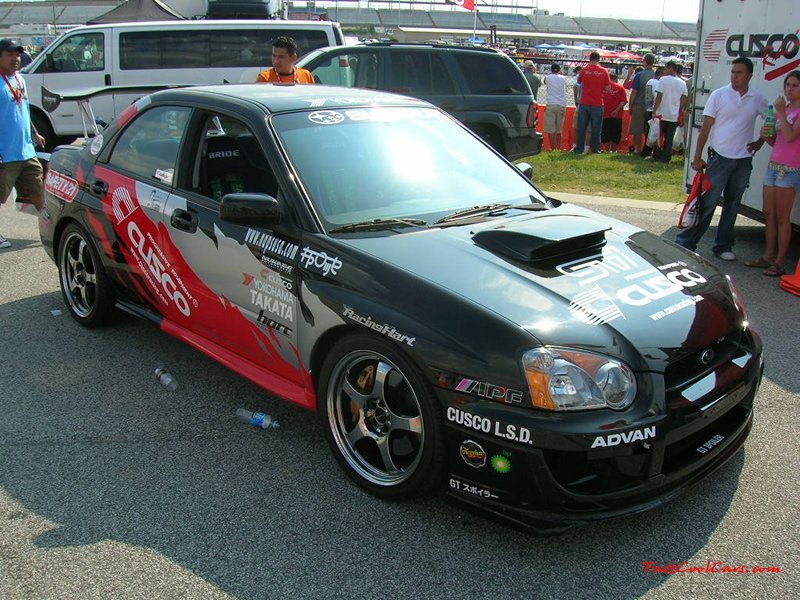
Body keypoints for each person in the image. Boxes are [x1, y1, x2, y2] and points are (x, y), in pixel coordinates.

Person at [675, 57, 769, 261]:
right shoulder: (719, 95)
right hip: (719, 158)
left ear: (749, 75)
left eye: (739, 72)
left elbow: (770, 119)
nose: (734, 76)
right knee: (707, 203)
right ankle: (686, 243)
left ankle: (723, 245)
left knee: (732, 205)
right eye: (733, 72)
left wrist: (760, 142)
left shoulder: (757, 98)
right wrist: (697, 156)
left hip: (743, 160)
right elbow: (706, 127)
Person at [745, 70, 800, 276]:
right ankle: (767, 256)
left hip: (791, 168)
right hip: (774, 165)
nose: (789, 89)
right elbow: (777, 140)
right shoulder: (781, 109)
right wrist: (765, 135)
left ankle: (780, 261)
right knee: (768, 212)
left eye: (795, 86)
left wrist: (781, 113)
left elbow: (791, 135)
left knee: (782, 217)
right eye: (787, 85)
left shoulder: (792, 111)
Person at [1, 39, 45, 249]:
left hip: (26, 150)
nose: (16, 59)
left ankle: (49, 227)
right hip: (5, 153)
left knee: (37, 190)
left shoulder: (20, 80)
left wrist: (35, 133)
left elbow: (23, 109)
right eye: (10, 55)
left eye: (18, 55)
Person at [574, 52, 611, 154]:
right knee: (596, 128)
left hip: (584, 102)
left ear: (590, 59)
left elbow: (579, 81)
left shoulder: (584, 70)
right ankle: (595, 148)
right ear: (599, 59)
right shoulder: (604, 71)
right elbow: (608, 88)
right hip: (597, 103)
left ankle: (579, 148)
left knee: (582, 127)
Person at [651, 60, 687, 163]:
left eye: (666, 69)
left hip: (662, 113)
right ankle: (667, 157)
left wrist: (655, 110)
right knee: (669, 138)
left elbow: (659, 96)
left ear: (671, 69)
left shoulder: (663, 80)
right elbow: (684, 98)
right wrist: (679, 108)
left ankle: (657, 155)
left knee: (659, 136)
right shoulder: (682, 82)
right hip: (673, 114)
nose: (665, 71)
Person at [627, 53, 656, 155]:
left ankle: (638, 149)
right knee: (650, 129)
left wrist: (630, 105)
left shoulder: (639, 75)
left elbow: (634, 92)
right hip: (652, 106)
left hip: (639, 104)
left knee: (638, 129)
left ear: (645, 61)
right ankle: (649, 150)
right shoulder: (656, 75)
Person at [640, 66, 664, 158]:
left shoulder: (650, 81)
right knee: (653, 133)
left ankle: (646, 151)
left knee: (648, 132)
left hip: (648, 108)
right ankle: (649, 152)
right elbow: (658, 96)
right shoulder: (657, 83)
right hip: (654, 110)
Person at [543, 63, 567, 151]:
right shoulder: (563, 78)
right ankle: (559, 148)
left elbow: (544, 81)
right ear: (559, 70)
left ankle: (553, 148)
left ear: (551, 70)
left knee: (551, 130)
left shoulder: (548, 78)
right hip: (561, 104)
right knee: (559, 130)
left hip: (551, 104)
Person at [601, 74, 627, 153]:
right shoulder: (620, 87)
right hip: (617, 115)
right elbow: (624, 101)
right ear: (615, 79)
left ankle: (607, 150)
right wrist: (617, 110)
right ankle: (614, 150)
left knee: (605, 132)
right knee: (616, 133)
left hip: (604, 114)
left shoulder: (603, 87)